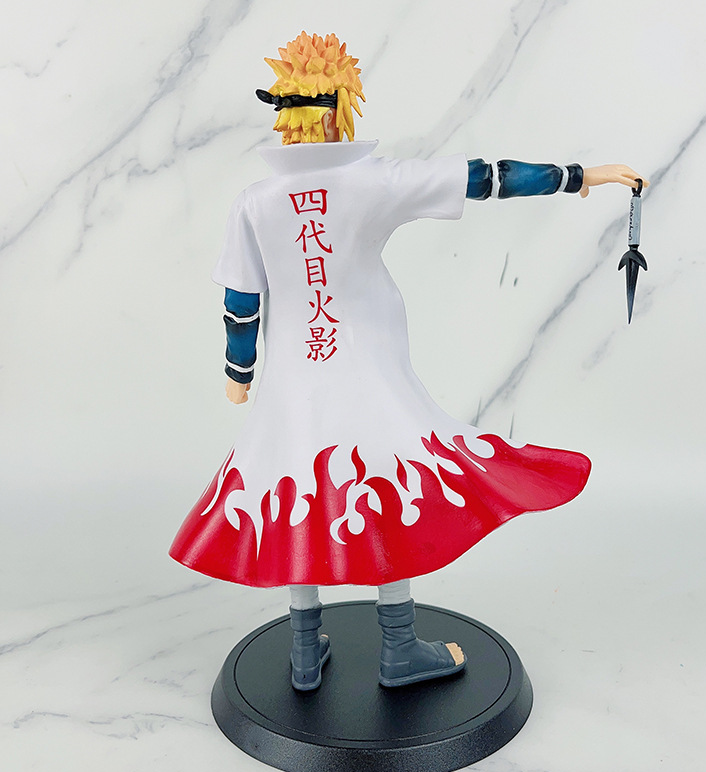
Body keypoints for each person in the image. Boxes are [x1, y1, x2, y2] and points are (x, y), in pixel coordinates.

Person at [170, 32, 648, 691]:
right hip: (370, 376)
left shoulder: (256, 200)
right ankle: (397, 648)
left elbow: (240, 302)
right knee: (386, 494)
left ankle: (305, 653)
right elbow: (484, 177)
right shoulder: (374, 181)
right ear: (342, 106)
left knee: (295, 494)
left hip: (294, 383)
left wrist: (239, 373)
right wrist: (578, 177)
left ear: (285, 111)